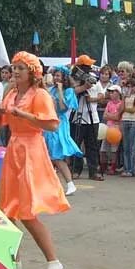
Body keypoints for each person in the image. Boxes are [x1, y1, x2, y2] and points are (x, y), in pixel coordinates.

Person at [0, 51, 70, 269]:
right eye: (14, 67)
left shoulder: (40, 95)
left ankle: (53, 261)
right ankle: (14, 259)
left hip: (31, 149)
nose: (15, 72)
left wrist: (23, 113)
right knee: (6, 209)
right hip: (14, 147)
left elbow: (52, 125)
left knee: (26, 211)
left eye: (20, 68)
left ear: (32, 72)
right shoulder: (11, 93)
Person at [44, 66, 82, 196]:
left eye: (58, 76)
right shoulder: (50, 90)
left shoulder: (69, 91)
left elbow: (63, 107)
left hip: (59, 125)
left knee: (57, 156)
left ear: (64, 78)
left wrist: (60, 91)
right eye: (54, 75)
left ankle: (70, 184)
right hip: (48, 123)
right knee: (48, 157)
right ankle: (51, 185)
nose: (55, 78)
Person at [120, 78, 135, 177]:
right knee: (126, 146)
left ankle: (132, 168)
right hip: (124, 120)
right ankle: (126, 167)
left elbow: (134, 109)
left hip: (133, 121)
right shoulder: (125, 96)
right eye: (128, 86)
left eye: (132, 86)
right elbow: (121, 108)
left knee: (131, 146)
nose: (130, 88)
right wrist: (124, 98)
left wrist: (126, 109)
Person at [100, 85, 124, 176]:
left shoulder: (121, 103)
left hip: (116, 129)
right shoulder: (109, 103)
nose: (111, 94)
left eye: (113, 92)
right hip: (107, 128)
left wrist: (111, 116)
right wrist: (112, 116)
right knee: (103, 149)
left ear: (118, 93)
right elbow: (105, 116)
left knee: (114, 150)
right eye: (110, 92)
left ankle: (113, 167)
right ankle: (103, 167)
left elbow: (118, 117)